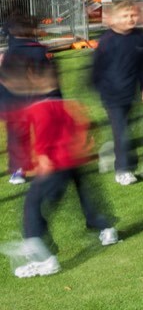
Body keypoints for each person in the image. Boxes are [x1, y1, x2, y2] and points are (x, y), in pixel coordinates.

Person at [1, 60, 119, 278]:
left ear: (35, 80)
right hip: (76, 160)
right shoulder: (71, 104)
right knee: (87, 198)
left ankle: (44, 260)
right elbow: (88, 127)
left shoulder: (38, 109)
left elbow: (41, 136)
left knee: (32, 208)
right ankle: (106, 228)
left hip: (54, 165)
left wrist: (43, 158)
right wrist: (87, 148)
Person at [90, 0, 143, 186]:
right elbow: (96, 69)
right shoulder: (106, 41)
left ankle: (121, 160)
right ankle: (123, 170)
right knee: (122, 132)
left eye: (133, 15)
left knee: (128, 131)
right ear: (113, 19)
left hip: (130, 93)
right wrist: (99, 87)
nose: (130, 19)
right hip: (112, 96)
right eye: (125, 16)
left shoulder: (139, 38)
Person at [1, 14, 61, 185]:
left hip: (22, 103)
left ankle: (22, 168)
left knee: (19, 137)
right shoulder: (37, 51)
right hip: (33, 102)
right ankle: (32, 166)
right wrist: (56, 98)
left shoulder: (19, 53)